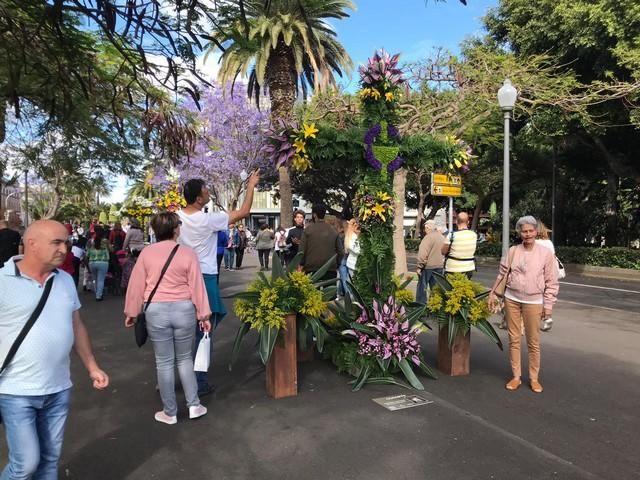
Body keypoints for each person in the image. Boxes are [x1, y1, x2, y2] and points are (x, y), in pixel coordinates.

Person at [0, 220, 109, 478]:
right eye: (57, 242)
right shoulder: (2, 282)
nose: (65, 249)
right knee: (25, 464)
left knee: (49, 460)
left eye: (67, 242)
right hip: (15, 391)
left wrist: (92, 367)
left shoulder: (65, 281)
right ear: (31, 244)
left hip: (58, 388)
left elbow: (77, 326)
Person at [124, 212, 211, 424]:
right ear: (175, 229)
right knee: (185, 359)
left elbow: (136, 285)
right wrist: (204, 314)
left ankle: (169, 411)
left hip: (156, 310)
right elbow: (197, 286)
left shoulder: (146, 253)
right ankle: (194, 405)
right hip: (184, 309)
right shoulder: (188, 253)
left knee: (163, 362)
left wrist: (132, 312)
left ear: (155, 230)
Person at [177, 172, 260, 395]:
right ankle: (199, 382)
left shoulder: (175, 219)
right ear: (198, 199)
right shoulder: (207, 219)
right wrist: (251, 185)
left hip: (181, 280)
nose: (208, 192)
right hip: (205, 279)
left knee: (183, 332)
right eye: (205, 191)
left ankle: (177, 376)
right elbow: (244, 212)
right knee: (204, 333)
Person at [488, 216, 559, 394]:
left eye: (530, 231)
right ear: (519, 233)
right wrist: (493, 292)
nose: (527, 234)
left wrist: (548, 306)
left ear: (536, 231)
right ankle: (516, 376)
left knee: (533, 341)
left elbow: (552, 281)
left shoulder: (545, 253)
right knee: (514, 339)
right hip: (511, 298)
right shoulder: (513, 250)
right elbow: (502, 273)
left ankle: (534, 378)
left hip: (534, 301)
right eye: (524, 231)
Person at [300, 203, 344, 282]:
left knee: (312, 293)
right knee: (330, 293)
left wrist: (301, 264)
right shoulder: (333, 230)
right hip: (330, 267)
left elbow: (302, 250)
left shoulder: (308, 230)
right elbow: (340, 251)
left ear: (314, 215)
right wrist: (337, 263)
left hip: (311, 268)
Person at [416, 220, 445, 304]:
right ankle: (435, 305)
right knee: (435, 288)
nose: (425, 230)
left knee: (422, 287)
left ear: (428, 227)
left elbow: (422, 253)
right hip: (439, 266)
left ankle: (420, 306)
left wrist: (419, 266)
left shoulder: (428, 237)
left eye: (425, 228)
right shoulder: (441, 237)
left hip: (428, 266)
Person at [536, 221, 558, 332]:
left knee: (537, 296)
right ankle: (547, 317)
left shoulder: (534, 243)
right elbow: (553, 257)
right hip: (549, 272)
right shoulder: (549, 243)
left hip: (537, 273)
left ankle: (538, 317)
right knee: (548, 295)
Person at [441, 212, 478, 279]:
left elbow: (443, 252)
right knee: (464, 288)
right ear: (468, 222)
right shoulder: (474, 235)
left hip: (452, 268)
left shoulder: (451, 235)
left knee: (451, 288)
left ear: (456, 221)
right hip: (468, 268)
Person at [85, 229, 111, 301]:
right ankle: (98, 295)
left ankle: (97, 292)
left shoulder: (91, 246)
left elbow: (86, 256)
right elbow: (111, 251)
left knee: (95, 279)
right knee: (101, 279)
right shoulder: (105, 246)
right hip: (103, 263)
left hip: (92, 263)